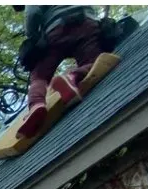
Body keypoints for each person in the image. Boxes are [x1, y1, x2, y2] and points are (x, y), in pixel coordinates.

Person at [17, 6, 104, 139]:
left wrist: (34, 38)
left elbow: (33, 11)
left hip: (56, 30)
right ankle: (73, 76)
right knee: (96, 62)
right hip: (87, 23)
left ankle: (36, 104)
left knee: (39, 76)